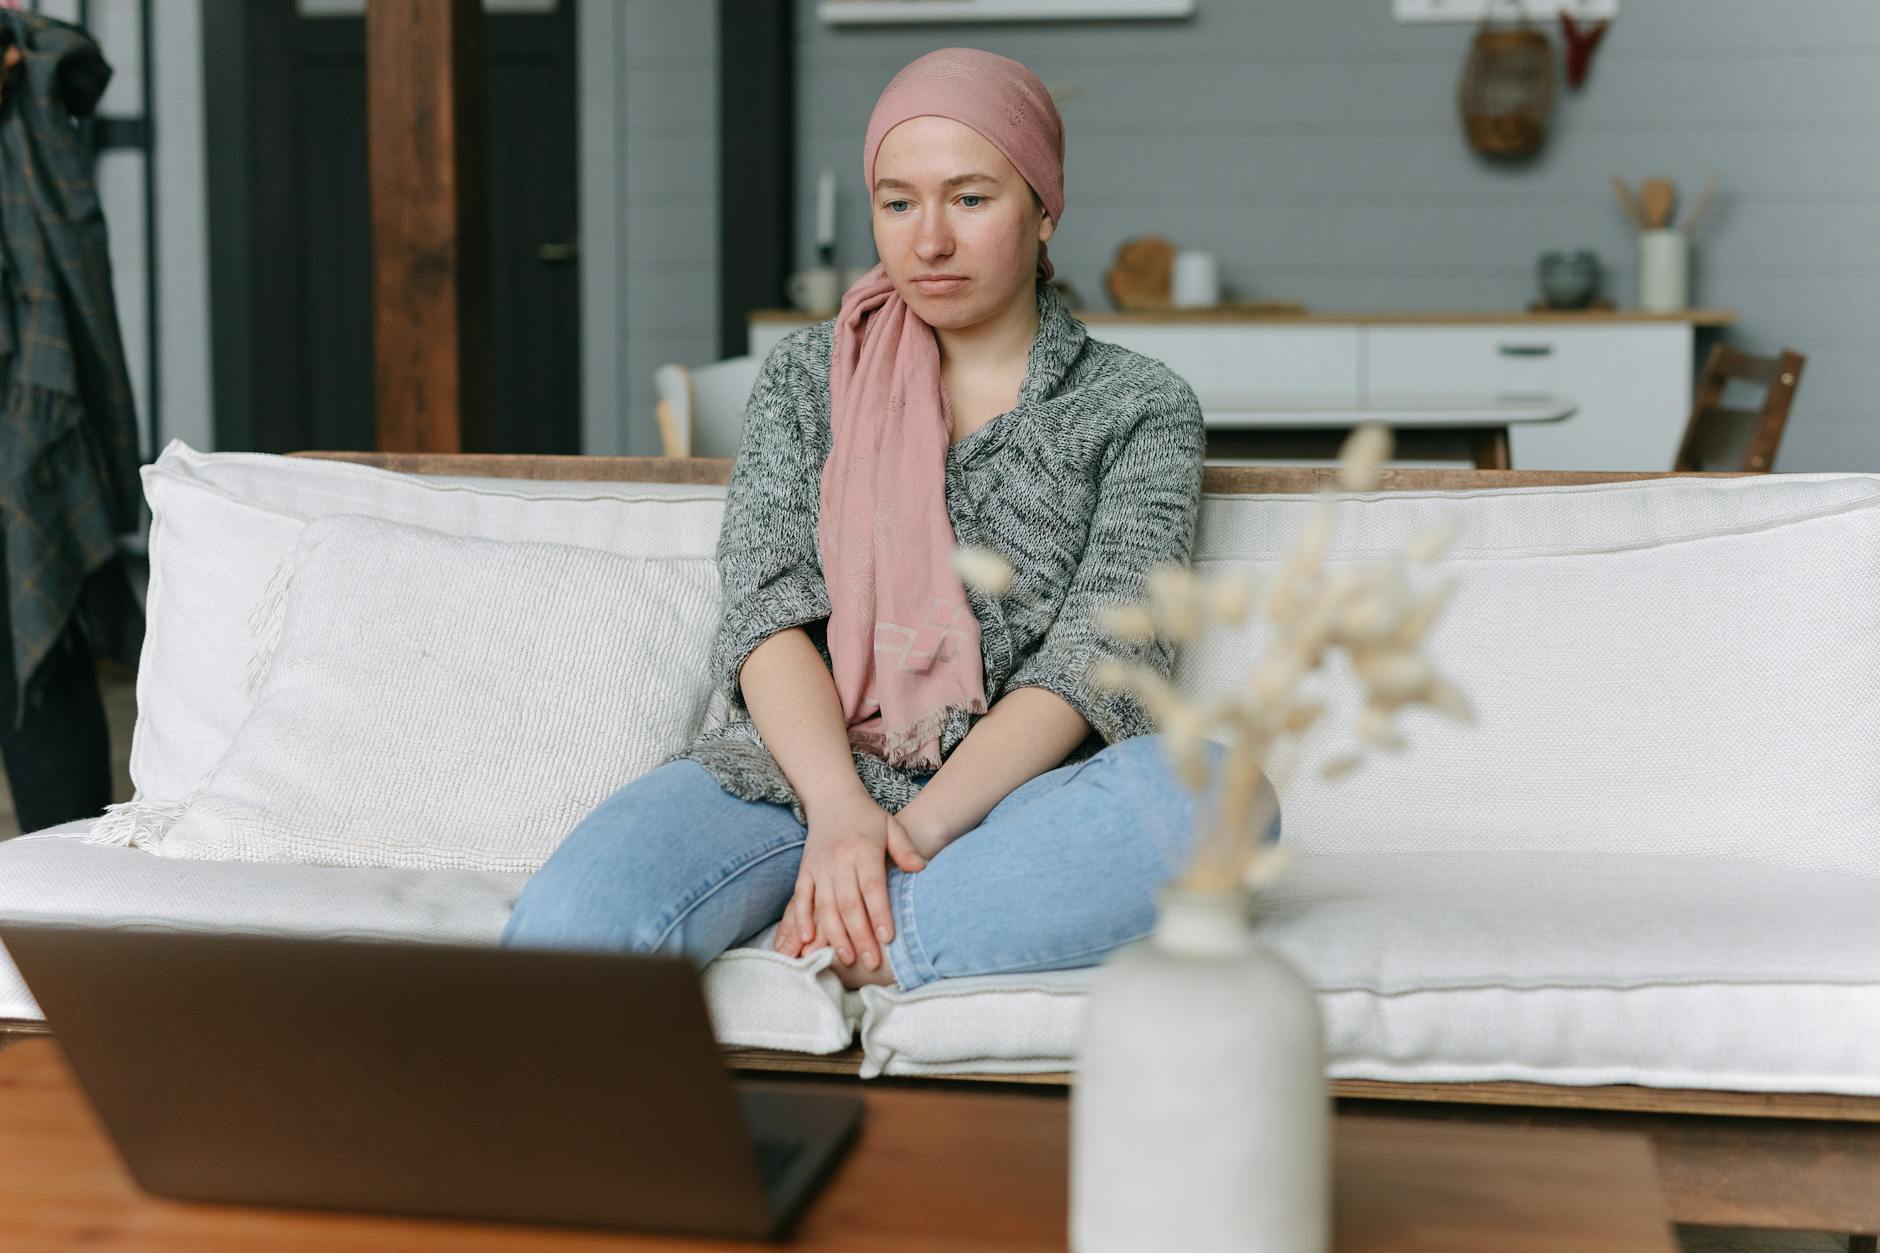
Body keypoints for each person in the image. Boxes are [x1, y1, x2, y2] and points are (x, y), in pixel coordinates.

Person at [503, 47, 1278, 992]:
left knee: (1215, 797)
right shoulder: (805, 378)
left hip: (1008, 804)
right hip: (786, 775)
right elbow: (765, 611)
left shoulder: (1137, 406)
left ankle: (863, 933)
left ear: (1044, 208)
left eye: (971, 198)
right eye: (899, 201)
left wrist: (904, 835)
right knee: (565, 928)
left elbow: (1099, 663)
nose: (929, 241)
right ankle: (861, 904)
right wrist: (837, 812)